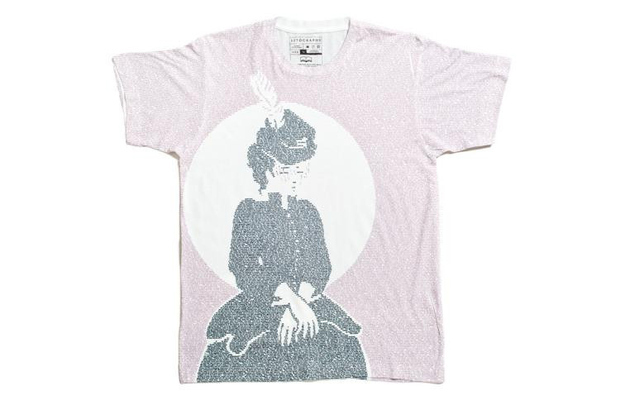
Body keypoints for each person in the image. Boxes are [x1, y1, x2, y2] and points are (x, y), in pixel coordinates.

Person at [196, 108, 368, 382]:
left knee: (341, 344)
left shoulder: (308, 211)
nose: (297, 177)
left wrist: (302, 302)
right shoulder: (249, 211)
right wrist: (291, 302)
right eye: (288, 170)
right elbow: (244, 266)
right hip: (261, 301)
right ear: (267, 168)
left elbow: (320, 264)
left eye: (302, 169)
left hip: (309, 299)